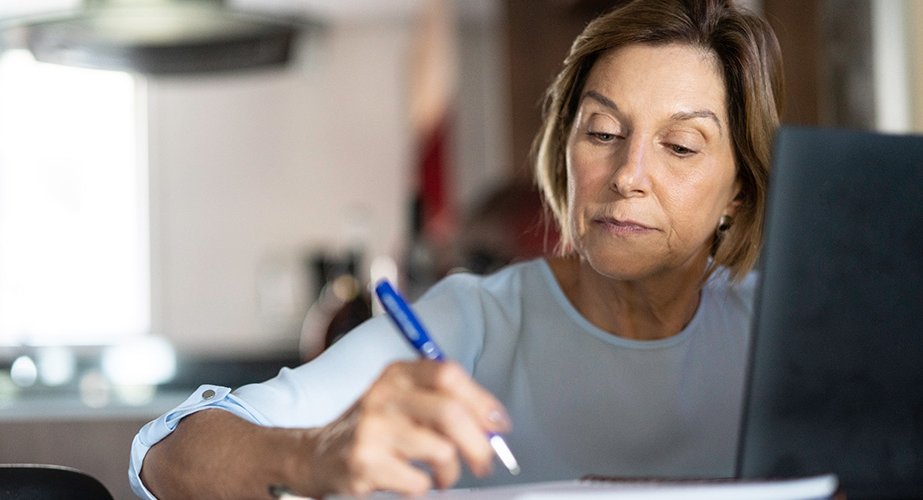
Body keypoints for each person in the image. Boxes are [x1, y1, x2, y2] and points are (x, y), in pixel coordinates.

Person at [129, 0, 784, 498]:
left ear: (737, 189)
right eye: (602, 131)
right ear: (564, 152)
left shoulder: (786, 334)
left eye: (679, 147)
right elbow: (160, 453)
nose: (626, 174)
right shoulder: (469, 322)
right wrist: (306, 455)